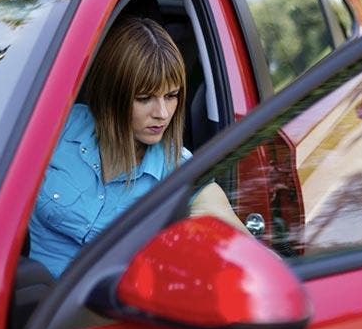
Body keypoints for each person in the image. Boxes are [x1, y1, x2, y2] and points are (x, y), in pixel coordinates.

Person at [29, 17, 245, 278]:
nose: (162, 113)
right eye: (144, 99)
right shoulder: (58, 127)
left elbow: (240, 248)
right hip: (13, 300)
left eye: (171, 96)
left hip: (98, 315)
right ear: (112, 95)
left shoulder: (180, 172)